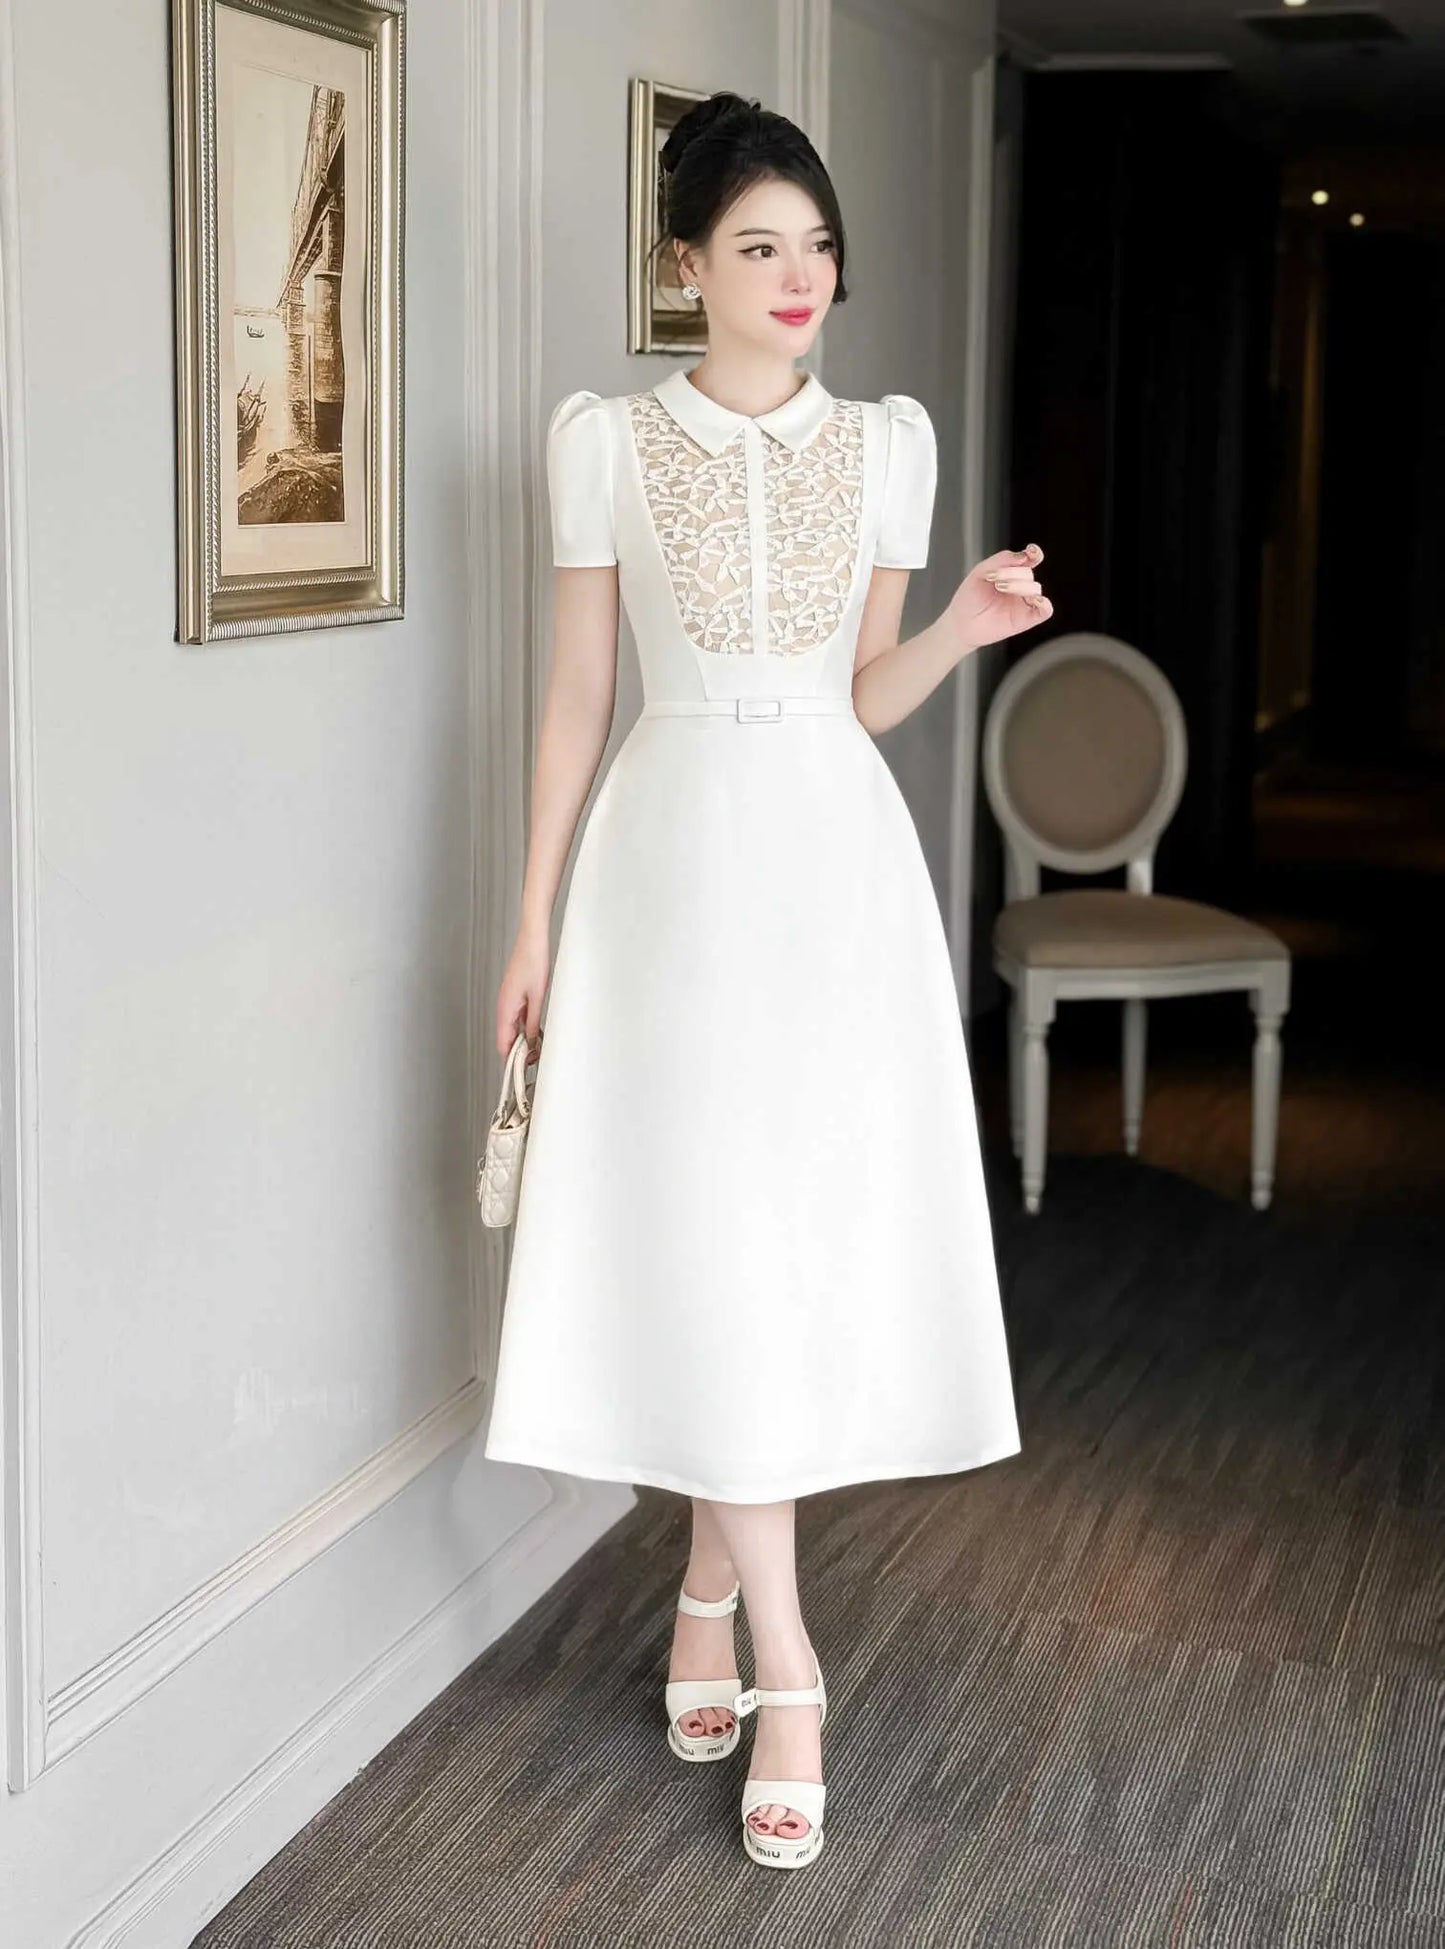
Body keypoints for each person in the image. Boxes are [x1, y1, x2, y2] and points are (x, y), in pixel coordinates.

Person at [482, 90, 1051, 1871]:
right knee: (710, 1233)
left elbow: (863, 692)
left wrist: (955, 627)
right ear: (684, 269)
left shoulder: (888, 444)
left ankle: (714, 1596)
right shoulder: (600, 445)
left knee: (785, 1235)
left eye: (814, 247)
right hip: (665, 874)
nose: (798, 276)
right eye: (757, 248)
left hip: (830, 870)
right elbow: (580, 695)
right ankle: (788, 1661)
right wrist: (529, 920)